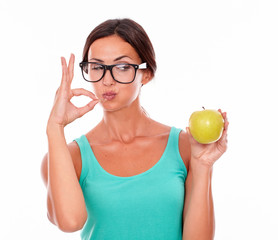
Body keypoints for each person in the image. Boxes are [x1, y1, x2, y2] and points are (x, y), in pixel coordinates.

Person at [41, 18, 229, 240]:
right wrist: (54, 128)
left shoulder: (185, 146)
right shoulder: (70, 157)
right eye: (97, 67)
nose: (107, 80)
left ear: (146, 74)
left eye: (122, 67)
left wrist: (202, 165)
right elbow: (70, 222)